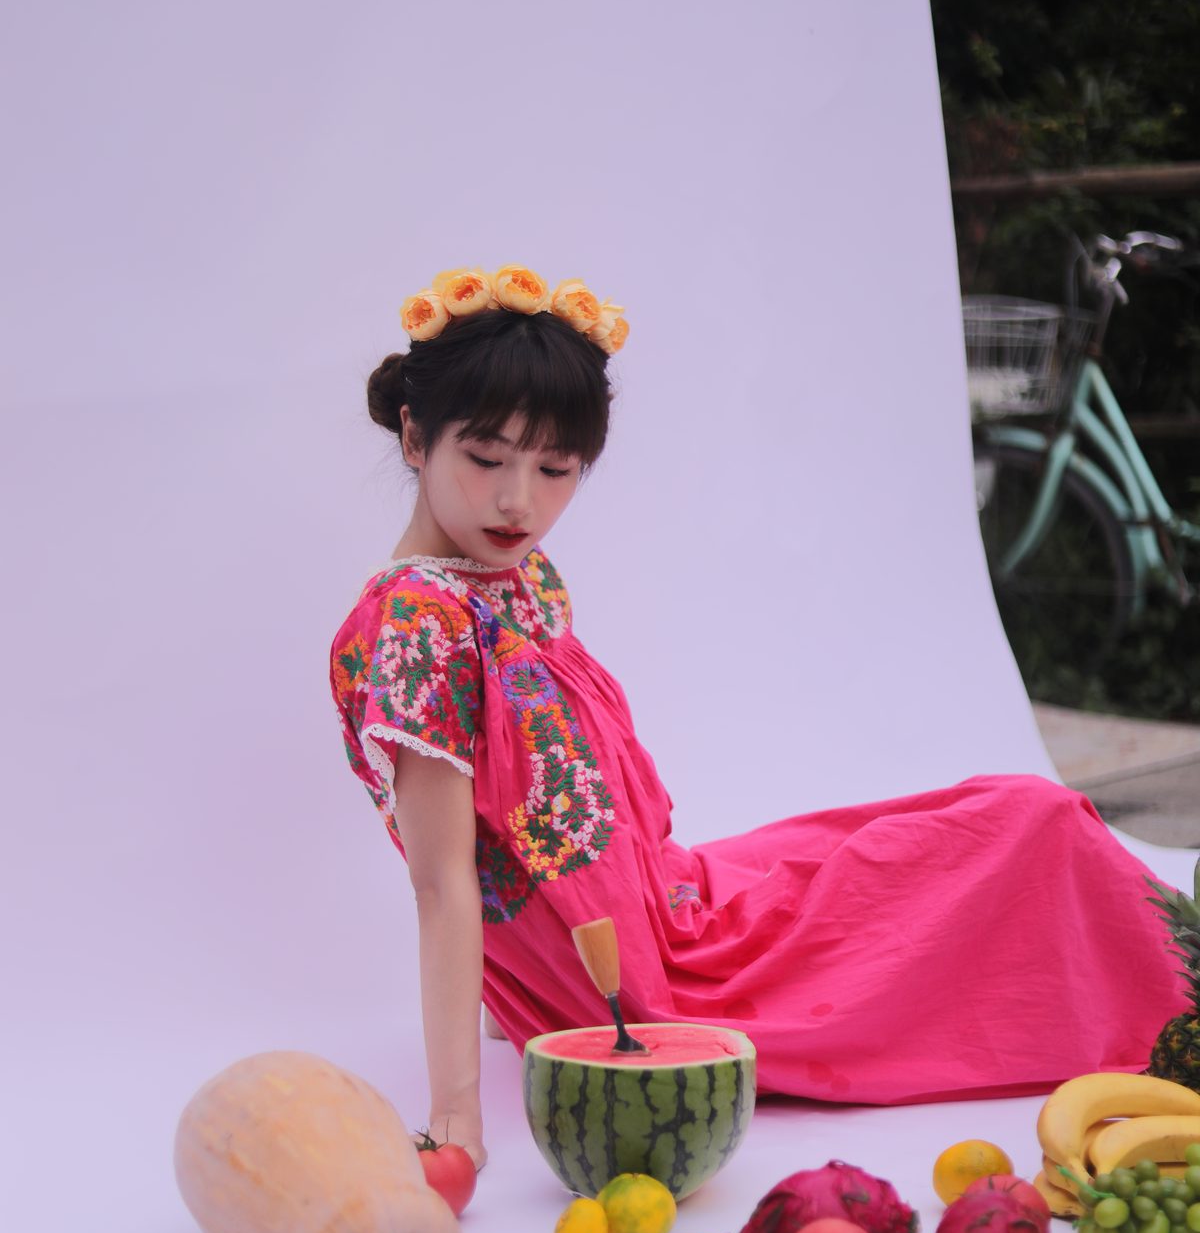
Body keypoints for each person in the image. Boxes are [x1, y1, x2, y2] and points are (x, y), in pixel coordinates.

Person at [329, 262, 1188, 1172]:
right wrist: (455, 1115)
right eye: (486, 459)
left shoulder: (510, 576)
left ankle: (1177, 969)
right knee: (1026, 831)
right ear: (416, 437)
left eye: (555, 468)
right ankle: (1177, 994)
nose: (519, 501)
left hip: (663, 901)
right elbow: (444, 881)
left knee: (998, 819)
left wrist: (511, 1005)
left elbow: (527, 810)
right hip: (643, 983)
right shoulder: (417, 628)